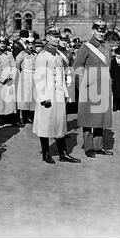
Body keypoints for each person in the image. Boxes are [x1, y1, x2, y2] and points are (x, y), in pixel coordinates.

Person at [33, 26, 81, 164]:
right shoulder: (42, 56)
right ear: (47, 37)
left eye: (57, 36)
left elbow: (62, 77)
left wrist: (65, 93)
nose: (56, 39)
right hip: (47, 95)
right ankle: (46, 153)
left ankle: (63, 153)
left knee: (60, 124)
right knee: (45, 125)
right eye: (53, 36)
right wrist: (43, 97)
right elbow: (39, 78)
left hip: (58, 95)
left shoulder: (58, 56)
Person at [73, 18, 113, 158]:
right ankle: (89, 147)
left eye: (103, 30)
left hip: (103, 86)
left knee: (100, 118)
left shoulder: (107, 47)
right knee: (88, 118)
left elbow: (109, 66)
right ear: (93, 30)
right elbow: (77, 68)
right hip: (89, 87)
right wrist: (82, 86)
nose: (101, 33)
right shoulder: (86, 47)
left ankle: (99, 146)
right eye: (98, 30)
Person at [0, 34, 21, 127]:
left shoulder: (9, 53)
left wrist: (11, 76)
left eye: (4, 43)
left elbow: (13, 65)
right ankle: (0, 118)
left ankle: (12, 118)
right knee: (0, 100)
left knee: (10, 99)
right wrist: (2, 78)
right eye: (0, 42)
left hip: (9, 79)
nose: (2, 44)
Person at [16, 36, 37, 124]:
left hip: (34, 76)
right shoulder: (22, 54)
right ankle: (23, 118)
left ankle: (31, 116)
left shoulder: (35, 54)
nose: (31, 46)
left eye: (32, 44)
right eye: (29, 44)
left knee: (33, 97)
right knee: (24, 97)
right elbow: (17, 63)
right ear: (26, 44)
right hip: (25, 77)